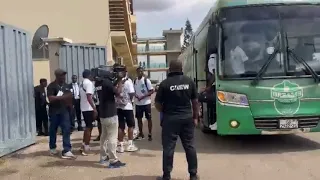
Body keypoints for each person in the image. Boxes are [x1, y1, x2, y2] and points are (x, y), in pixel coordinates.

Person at [155, 59, 199, 180]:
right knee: (190, 146)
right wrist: (195, 117)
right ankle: (193, 175)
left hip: (170, 120)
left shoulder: (164, 84)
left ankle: (167, 175)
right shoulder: (189, 81)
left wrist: (164, 110)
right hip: (187, 119)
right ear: (181, 69)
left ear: (169, 69)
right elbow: (195, 102)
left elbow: (157, 104)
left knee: (168, 148)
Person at [98, 70, 126, 168]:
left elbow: (110, 87)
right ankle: (113, 161)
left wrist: (117, 79)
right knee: (112, 137)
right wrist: (120, 82)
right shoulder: (107, 83)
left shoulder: (99, 83)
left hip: (103, 114)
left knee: (104, 136)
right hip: (110, 114)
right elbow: (118, 92)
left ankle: (103, 157)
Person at [47, 69, 75, 159]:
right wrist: (63, 97)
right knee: (53, 130)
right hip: (54, 112)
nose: (63, 77)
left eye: (64, 75)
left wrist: (71, 109)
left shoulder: (67, 86)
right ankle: (52, 147)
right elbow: (50, 98)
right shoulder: (51, 86)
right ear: (57, 76)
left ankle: (66, 150)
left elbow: (70, 97)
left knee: (66, 129)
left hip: (65, 111)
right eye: (61, 75)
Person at [115, 67, 138, 153]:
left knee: (121, 126)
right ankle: (130, 144)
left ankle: (120, 145)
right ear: (125, 72)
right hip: (127, 106)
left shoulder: (116, 82)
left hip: (118, 106)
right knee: (130, 125)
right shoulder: (128, 81)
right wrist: (130, 100)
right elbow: (132, 93)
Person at [79, 69, 97, 156]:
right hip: (89, 108)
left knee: (88, 127)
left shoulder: (82, 83)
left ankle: (84, 144)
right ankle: (86, 147)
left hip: (84, 108)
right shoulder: (89, 83)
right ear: (89, 75)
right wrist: (94, 108)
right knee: (89, 127)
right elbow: (89, 97)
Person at [133, 67, 154, 141]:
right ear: (137, 72)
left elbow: (151, 91)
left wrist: (143, 96)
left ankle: (150, 133)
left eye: (141, 71)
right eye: (138, 71)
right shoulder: (135, 80)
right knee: (139, 119)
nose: (140, 73)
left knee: (149, 118)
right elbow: (133, 91)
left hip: (146, 103)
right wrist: (136, 95)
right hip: (138, 104)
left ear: (143, 72)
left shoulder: (146, 80)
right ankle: (141, 133)